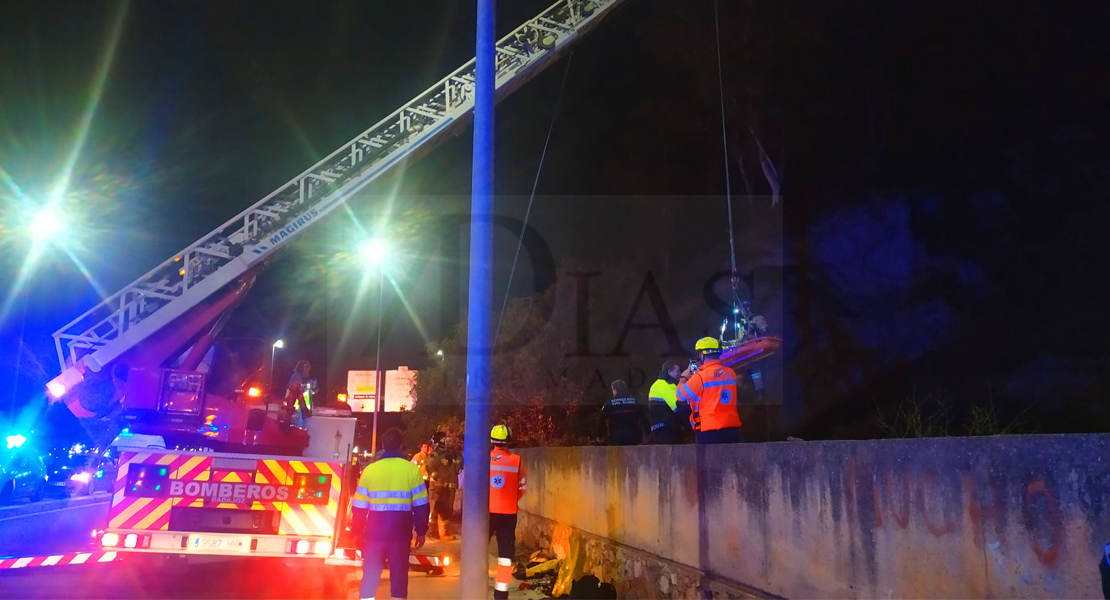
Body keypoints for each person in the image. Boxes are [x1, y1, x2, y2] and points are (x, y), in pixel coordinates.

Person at [351, 428, 429, 600]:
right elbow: (421, 506)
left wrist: (356, 532)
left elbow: (359, 507)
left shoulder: (370, 471)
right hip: (400, 534)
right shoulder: (412, 470)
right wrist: (421, 531)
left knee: (370, 578)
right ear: (401, 446)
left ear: (383, 446)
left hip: (373, 535)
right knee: (399, 579)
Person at [678, 337, 743, 444]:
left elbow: (680, 395)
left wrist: (683, 378)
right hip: (732, 427)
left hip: (709, 430)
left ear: (702, 355)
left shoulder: (700, 377)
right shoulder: (731, 373)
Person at [489, 424, 526, 600]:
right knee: (505, 557)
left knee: (478, 550)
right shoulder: (517, 460)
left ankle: (474, 585)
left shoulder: (485, 459)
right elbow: (523, 488)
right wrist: (510, 498)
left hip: (486, 513)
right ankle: (501, 594)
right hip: (508, 513)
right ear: (509, 440)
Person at [425, 435, 461, 540]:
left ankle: (443, 532)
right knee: (435, 509)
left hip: (450, 487)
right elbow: (429, 467)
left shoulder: (456, 456)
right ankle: (432, 531)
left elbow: (458, 468)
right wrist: (437, 478)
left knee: (447, 510)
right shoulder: (437, 454)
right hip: (438, 487)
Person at [647, 361, 692, 444]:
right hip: (667, 430)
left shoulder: (657, 384)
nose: (680, 373)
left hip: (660, 429)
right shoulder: (665, 384)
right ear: (669, 372)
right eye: (677, 371)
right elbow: (678, 407)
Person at [596, 380, 648, 445]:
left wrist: (600, 435)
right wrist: (647, 432)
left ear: (615, 390)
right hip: (633, 437)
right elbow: (644, 417)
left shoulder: (609, 402)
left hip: (616, 438)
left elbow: (601, 419)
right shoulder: (635, 400)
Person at [286, 360, 314, 427]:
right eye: (306, 367)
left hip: (302, 410)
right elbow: (298, 395)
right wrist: (305, 410)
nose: (308, 369)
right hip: (297, 410)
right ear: (301, 368)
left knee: (302, 430)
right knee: (298, 430)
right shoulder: (296, 378)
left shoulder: (305, 379)